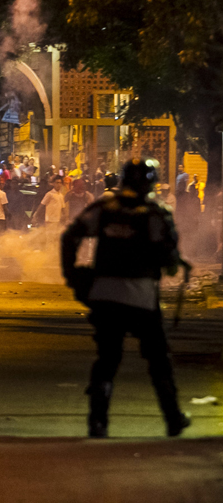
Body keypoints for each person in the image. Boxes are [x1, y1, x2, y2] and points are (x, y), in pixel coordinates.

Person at [61, 158, 190, 438]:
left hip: (104, 295)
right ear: (150, 183)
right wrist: (172, 262)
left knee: (107, 358)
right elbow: (169, 257)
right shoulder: (156, 213)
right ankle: (172, 418)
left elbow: (70, 236)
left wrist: (73, 275)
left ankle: (98, 422)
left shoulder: (104, 209)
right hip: (142, 296)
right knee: (158, 359)